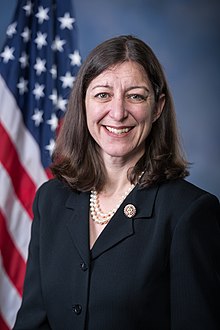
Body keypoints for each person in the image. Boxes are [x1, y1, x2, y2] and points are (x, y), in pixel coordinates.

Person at [13, 35, 220, 330]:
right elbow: (34, 322)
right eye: (102, 95)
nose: (118, 112)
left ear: (157, 107)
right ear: (83, 103)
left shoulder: (188, 211)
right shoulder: (51, 199)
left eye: (135, 96)